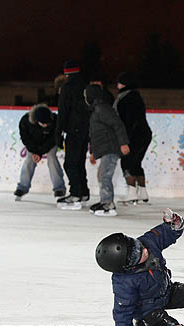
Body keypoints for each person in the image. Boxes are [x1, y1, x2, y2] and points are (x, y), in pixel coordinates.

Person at [84, 84, 129, 216]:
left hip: (111, 148)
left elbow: (118, 125)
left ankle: (108, 204)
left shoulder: (102, 109)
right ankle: (104, 201)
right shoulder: (96, 110)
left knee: (105, 175)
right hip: (105, 149)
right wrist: (93, 152)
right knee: (102, 175)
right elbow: (94, 134)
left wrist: (123, 143)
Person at [55, 60, 91, 210]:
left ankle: (75, 193)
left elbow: (63, 112)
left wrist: (58, 133)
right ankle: (83, 192)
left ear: (66, 72)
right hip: (86, 130)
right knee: (79, 162)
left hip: (73, 130)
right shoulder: (86, 86)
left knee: (70, 163)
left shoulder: (67, 88)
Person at [113, 72, 153, 204]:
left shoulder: (126, 98)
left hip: (134, 134)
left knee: (127, 162)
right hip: (144, 133)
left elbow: (128, 121)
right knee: (136, 163)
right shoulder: (135, 96)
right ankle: (142, 193)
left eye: (119, 82)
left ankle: (131, 194)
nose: (117, 84)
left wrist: (125, 140)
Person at [14, 104, 66, 200]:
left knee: (52, 158)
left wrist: (40, 152)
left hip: (49, 144)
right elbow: (25, 138)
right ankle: (22, 187)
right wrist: (34, 151)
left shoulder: (55, 120)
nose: (45, 125)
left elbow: (53, 139)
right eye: (43, 123)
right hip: (33, 144)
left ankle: (59, 188)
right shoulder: (25, 121)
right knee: (29, 160)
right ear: (36, 121)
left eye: (47, 123)